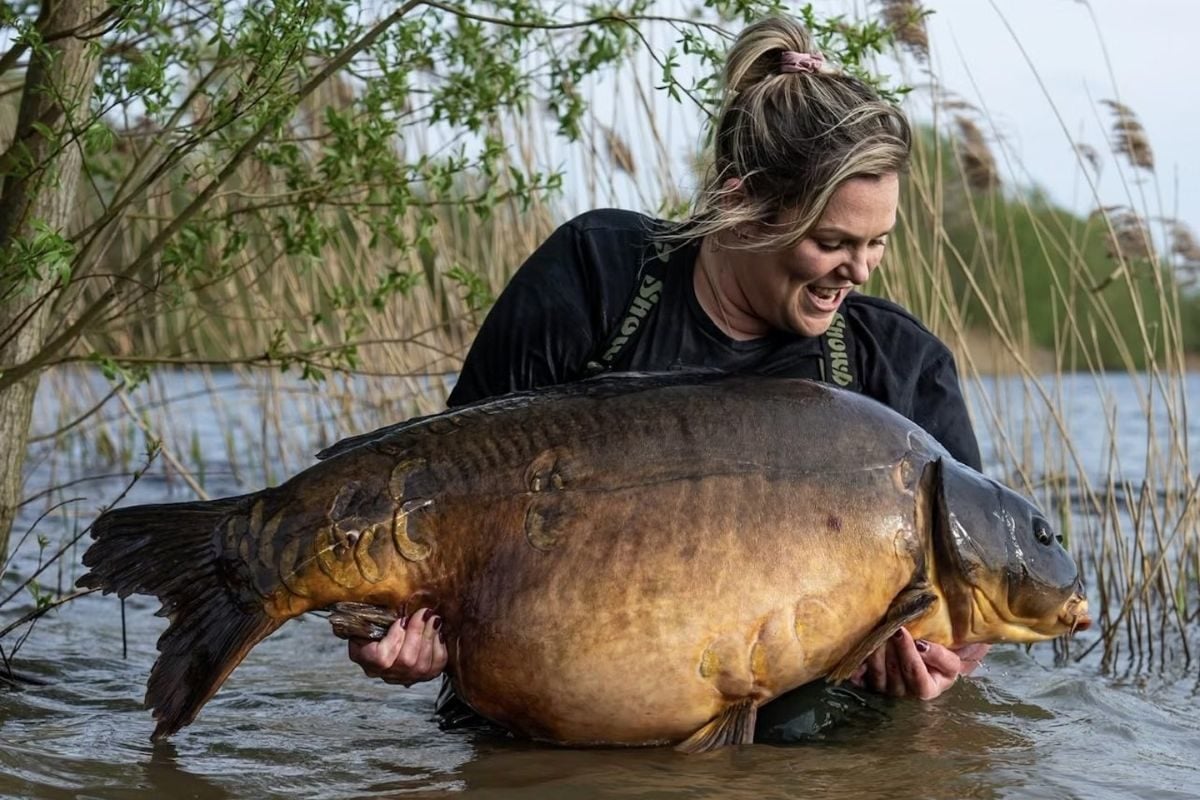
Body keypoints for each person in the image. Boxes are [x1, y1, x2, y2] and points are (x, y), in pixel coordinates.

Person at [347, 14, 990, 736]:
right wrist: (403, 626)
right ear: (739, 203)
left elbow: (984, 592)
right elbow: (448, 488)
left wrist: (945, 664)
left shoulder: (899, 369)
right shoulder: (599, 275)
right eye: (831, 241)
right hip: (538, 729)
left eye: (877, 242)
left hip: (791, 755)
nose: (861, 271)